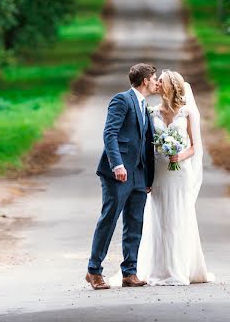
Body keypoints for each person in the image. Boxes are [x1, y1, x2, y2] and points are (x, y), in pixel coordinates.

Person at [136, 69, 213, 285]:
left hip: (180, 175)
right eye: (156, 80)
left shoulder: (187, 113)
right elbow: (146, 146)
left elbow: (196, 147)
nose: (157, 83)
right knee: (159, 219)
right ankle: (158, 269)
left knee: (179, 218)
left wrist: (178, 156)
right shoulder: (151, 112)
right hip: (159, 173)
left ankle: (180, 268)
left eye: (161, 81)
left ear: (171, 86)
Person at [85, 63, 157, 290]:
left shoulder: (145, 106)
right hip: (118, 172)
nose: (157, 83)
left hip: (139, 173)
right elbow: (110, 133)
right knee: (109, 218)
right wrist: (117, 164)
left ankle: (130, 272)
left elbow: (145, 142)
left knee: (135, 222)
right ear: (145, 80)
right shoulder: (122, 100)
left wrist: (148, 176)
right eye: (155, 79)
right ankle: (94, 271)